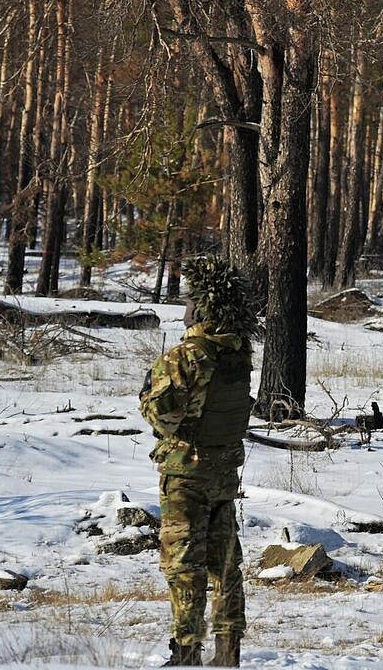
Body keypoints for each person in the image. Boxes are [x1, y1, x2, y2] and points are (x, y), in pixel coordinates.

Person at [140, 258, 260, 667]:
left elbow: (161, 414)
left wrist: (149, 391)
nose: (187, 310)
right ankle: (228, 653)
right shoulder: (238, 352)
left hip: (185, 474)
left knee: (184, 565)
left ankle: (187, 651)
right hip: (224, 474)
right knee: (225, 564)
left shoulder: (187, 355)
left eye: (192, 303)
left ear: (204, 308)